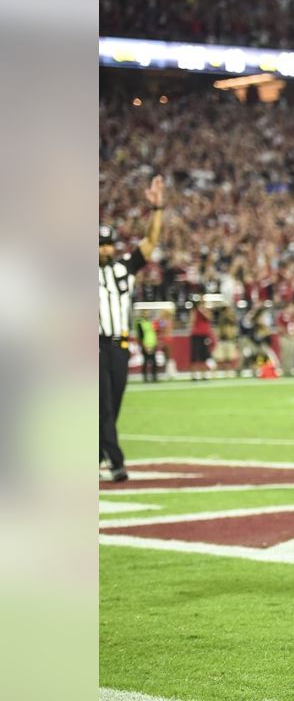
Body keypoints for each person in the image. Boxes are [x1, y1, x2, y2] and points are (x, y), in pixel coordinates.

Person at [99, 174, 166, 482]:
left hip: (121, 345)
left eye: (108, 245)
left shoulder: (124, 268)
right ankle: (116, 462)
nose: (105, 250)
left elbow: (150, 243)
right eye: (100, 245)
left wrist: (158, 209)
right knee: (102, 406)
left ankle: (96, 454)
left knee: (115, 403)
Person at [188, 296, 214, 381]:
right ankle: (194, 374)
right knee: (195, 355)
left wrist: (202, 309)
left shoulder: (206, 310)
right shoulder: (194, 310)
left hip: (204, 334)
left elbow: (209, 318)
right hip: (196, 334)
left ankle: (204, 374)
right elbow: (192, 320)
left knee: (204, 355)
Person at [134, 315, 159, 382]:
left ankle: (154, 377)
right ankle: (145, 378)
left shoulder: (152, 322)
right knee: (146, 361)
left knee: (153, 361)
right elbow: (140, 335)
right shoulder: (141, 323)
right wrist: (143, 345)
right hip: (145, 344)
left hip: (152, 344)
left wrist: (155, 344)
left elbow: (154, 334)